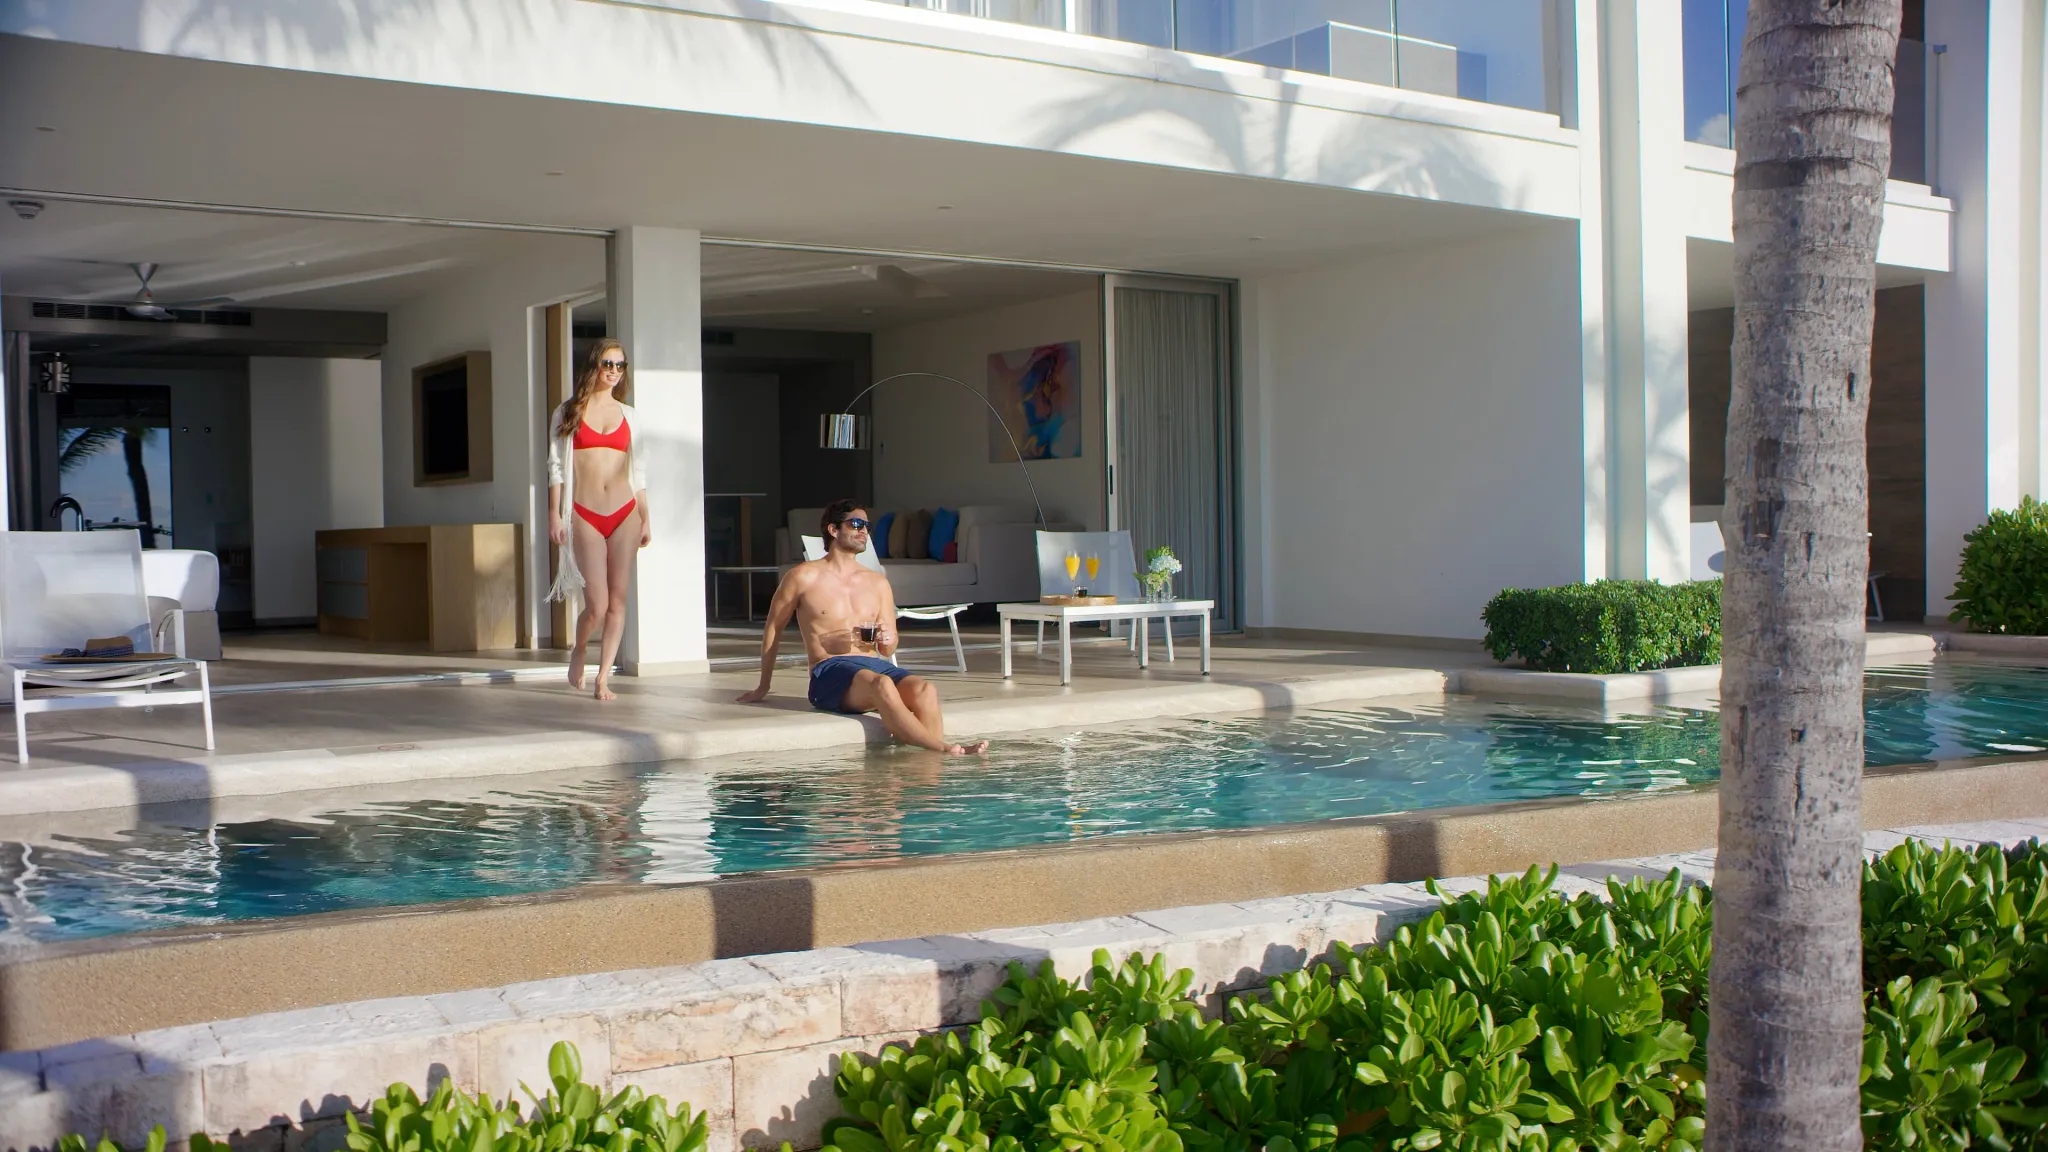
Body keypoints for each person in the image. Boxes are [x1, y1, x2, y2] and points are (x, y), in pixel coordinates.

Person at [737, 500, 989, 755]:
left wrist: (887, 637)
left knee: (925, 690)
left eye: (867, 526)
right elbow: (773, 628)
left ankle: (930, 773)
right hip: (829, 671)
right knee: (882, 684)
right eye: (856, 524)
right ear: (833, 530)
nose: (864, 531)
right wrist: (763, 685)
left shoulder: (877, 583)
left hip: (874, 666)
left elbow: (888, 646)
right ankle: (944, 749)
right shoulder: (803, 576)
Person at [546, 339, 648, 701]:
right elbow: (556, 467)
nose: (614, 371)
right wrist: (555, 515)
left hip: (625, 512)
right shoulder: (568, 411)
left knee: (619, 602)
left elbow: (639, 471)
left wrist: (645, 517)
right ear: (593, 365)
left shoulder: (629, 414)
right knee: (597, 606)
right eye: (608, 363)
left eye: (620, 365)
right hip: (585, 513)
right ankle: (580, 648)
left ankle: (604, 677)